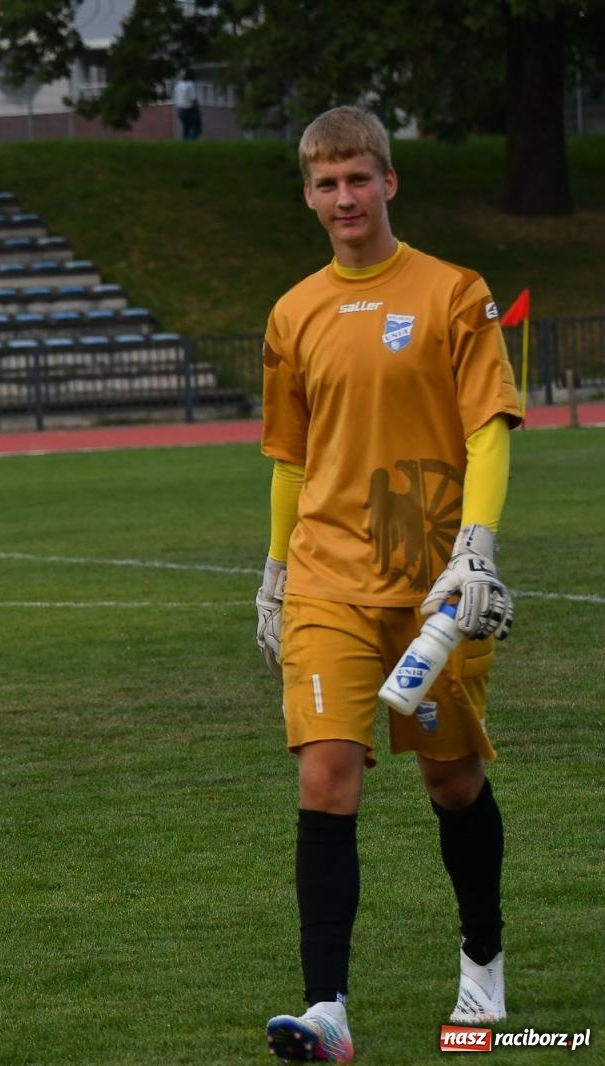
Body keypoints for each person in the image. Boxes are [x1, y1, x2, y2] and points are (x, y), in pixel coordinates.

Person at [256, 106, 521, 1062]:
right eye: (325, 184)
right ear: (309, 196)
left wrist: (477, 547)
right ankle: (326, 1008)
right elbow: (289, 459)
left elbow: (490, 425)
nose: (343, 198)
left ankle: (483, 962)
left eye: (357, 178)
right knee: (326, 777)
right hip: (328, 578)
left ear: (389, 182)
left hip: (436, 586)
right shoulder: (293, 312)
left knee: (452, 781)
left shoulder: (455, 292)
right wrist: (277, 570)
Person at [173, 70, 201, 140]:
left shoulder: (177, 85)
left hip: (180, 110)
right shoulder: (190, 84)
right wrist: (198, 109)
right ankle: (191, 141)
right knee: (195, 128)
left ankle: (185, 142)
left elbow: (176, 99)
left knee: (185, 128)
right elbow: (193, 99)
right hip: (189, 109)